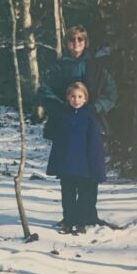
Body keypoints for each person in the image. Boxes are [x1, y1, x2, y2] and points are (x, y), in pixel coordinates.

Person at [37, 24, 116, 226]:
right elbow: (43, 90)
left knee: (90, 173)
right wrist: (61, 107)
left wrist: (96, 107)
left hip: (91, 126)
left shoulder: (96, 67)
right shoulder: (58, 67)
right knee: (68, 174)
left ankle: (88, 215)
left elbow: (111, 92)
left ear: (85, 42)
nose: (76, 43)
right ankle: (70, 217)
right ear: (66, 43)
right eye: (72, 39)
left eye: (80, 39)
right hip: (65, 128)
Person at [45, 81, 107, 235]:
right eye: (73, 96)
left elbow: (95, 144)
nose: (76, 100)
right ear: (68, 98)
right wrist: (56, 164)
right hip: (67, 165)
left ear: (85, 98)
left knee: (84, 197)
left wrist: (95, 166)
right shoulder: (63, 116)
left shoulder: (90, 117)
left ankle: (81, 222)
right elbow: (57, 141)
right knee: (67, 196)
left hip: (85, 166)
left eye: (80, 96)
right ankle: (68, 221)